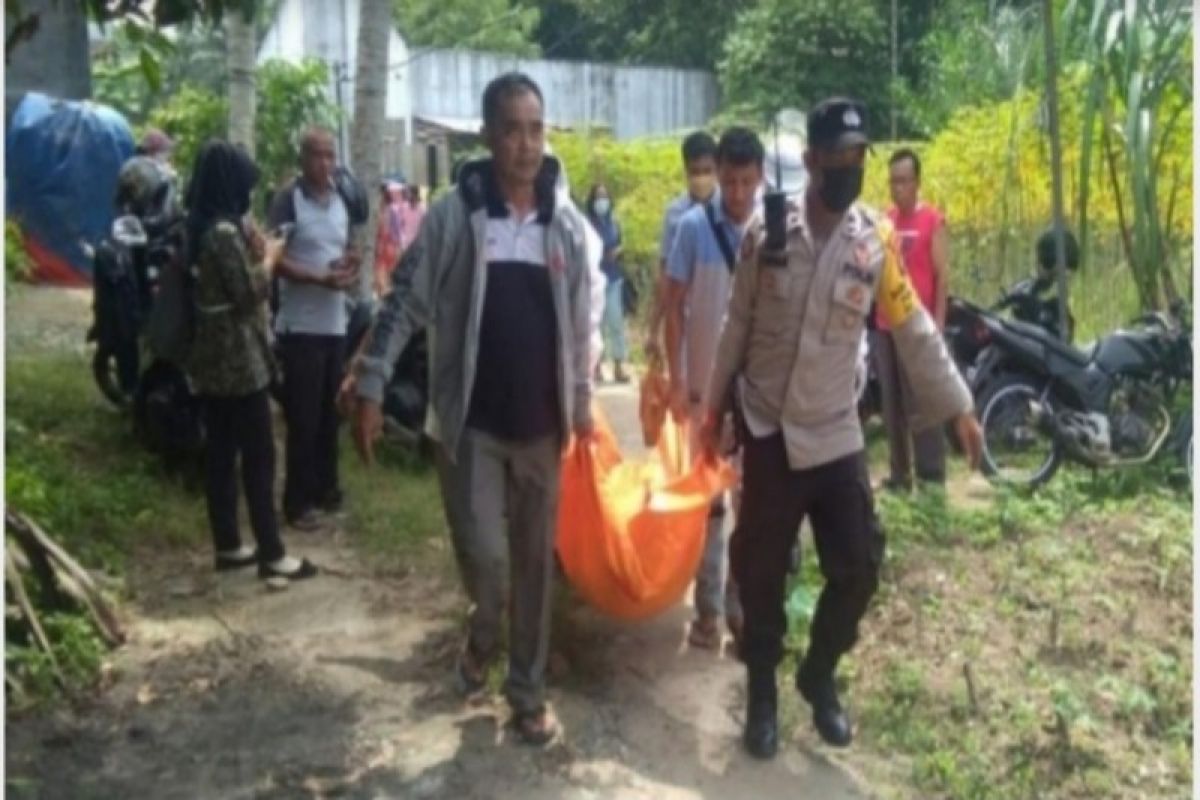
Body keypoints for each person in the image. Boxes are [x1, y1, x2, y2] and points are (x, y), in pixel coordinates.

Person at [700, 98, 983, 759]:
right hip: (769, 430)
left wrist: (960, 407)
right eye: (837, 159)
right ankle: (764, 692)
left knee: (857, 567)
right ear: (810, 162)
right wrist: (710, 410)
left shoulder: (873, 242)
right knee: (763, 573)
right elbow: (734, 326)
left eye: (859, 159)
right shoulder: (765, 237)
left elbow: (913, 330)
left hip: (833, 431)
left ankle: (818, 674)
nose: (848, 170)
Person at [345, 72, 593, 746]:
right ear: (488, 135)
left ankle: (527, 691)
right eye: (511, 129)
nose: (525, 144)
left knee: (535, 567)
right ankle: (482, 637)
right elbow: (405, 303)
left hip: (542, 430)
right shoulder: (458, 217)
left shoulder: (564, 226)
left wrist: (584, 405)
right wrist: (372, 384)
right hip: (473, 428)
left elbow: (581, 327)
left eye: (535, 129)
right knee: (487, 561)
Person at [183, 139, 317, 582]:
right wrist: (273, 258)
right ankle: (272, 552)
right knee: (259, 455)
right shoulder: (222, 235)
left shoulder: (203, 225)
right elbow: (248, 294)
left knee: (221, 452)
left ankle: (228, 544)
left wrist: (256, 247)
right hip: (238, 363)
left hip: (213, 361)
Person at [663, 127, 764, 651]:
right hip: (704, 391)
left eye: (747, 182)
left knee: (750, 504)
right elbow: (673, 307)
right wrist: (677, 380)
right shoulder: (691, 229)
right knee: (708, 506)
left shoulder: (774, 232)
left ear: (761, 177)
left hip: (758, 398)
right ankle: (705, 614)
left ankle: (739, 607)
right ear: (717, 174)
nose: (739, 193)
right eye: (729, 181)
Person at [267, 128, 362, 531]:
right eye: (317, 156)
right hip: (300, 323)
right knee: (302, 416)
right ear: (303, 158)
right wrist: (315, 278)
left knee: (329, 413)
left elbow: (348, 247)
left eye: (330, 156)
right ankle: (297, 501)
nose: (325, 164)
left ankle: (327, 489)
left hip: (334, 323)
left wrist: (349, 265)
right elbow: (274, 257)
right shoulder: (289, 200)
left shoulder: (342, 199)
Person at [872, 148, 951, 490]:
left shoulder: (932, 221)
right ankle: (899, 473)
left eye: (904, 181)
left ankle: (931, 473)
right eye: (893, 181)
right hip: (885, 325)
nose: (898, 188)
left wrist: (938, 323)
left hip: (917, 325)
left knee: (921, 401)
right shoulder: (884, 222)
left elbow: (942, 274)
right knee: (892, 405)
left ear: (917, 183)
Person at [646, 131, 718, 358]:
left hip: (722, 321)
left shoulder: (731, 210)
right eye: (695, 172)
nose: (701, 178)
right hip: (685, 320)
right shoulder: (675, 214)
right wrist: (653, 329)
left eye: (707, 171)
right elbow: (666, 274)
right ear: (686, 171)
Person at [586, 182, 628, 383]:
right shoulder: (588, 224)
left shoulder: (614, 223)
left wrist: (618, 252)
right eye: (598, 197)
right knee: (598, 324)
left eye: (605, 197)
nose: (602, 201)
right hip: (595, 279)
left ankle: (619, 365)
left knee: (616, 321)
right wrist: (603, 255)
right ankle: (597, 367)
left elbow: (620, 243)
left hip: (614, 278)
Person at [373, 180, 406, 296]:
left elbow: (397, 231)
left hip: (388, 246)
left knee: (385, 276)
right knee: (381, 277)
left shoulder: (391, 210)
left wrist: (399, 247)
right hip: (381, 247)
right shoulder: (377, 210)